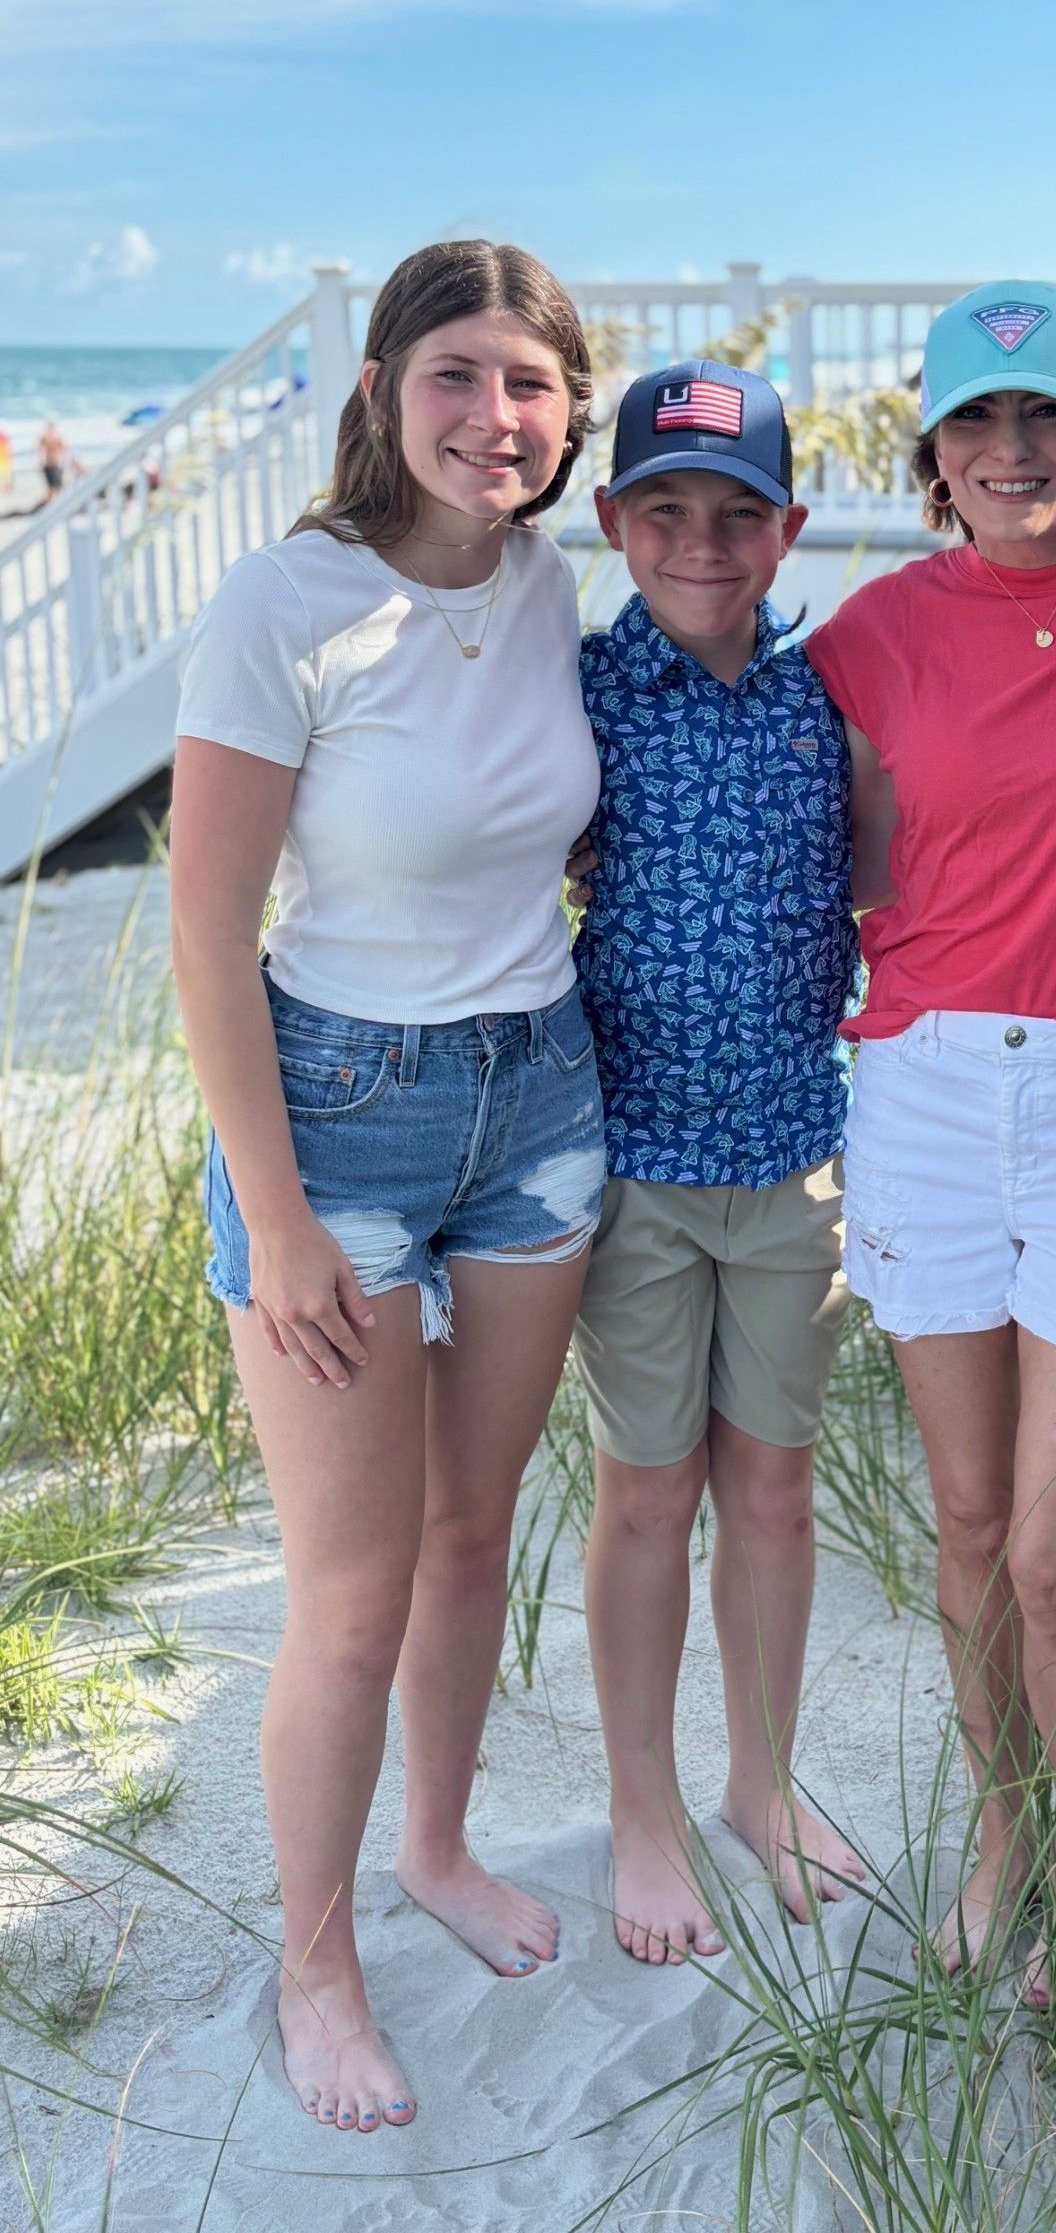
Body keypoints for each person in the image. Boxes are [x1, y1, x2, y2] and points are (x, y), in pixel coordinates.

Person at [170, 240, 606, 2135]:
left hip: (544, 1101)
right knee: (348, 1594)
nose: (492, 417)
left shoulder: (551, 583)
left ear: (567, 411)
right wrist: (270, 1215)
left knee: (471, 1534)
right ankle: (318, 1959)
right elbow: (204, 931)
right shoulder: (282, 601)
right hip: (336, 1120)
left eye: (527, 381)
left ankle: (439, 1846)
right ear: (377, 389)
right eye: (454, 374)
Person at [806, 283, 1056, 2009]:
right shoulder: (872, 634)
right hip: (921, 1097)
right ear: (934, 452)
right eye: (978, 422)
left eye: (1048, 418)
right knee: (968, 1527)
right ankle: (1004, 1838)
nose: (1014, 452)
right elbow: (822, 854)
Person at [571, 360, 866, 1965]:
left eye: (735, 513)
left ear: (787, 529)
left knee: (772, 1486)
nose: (700, 541)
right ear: (611, 521)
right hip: (630, 1170)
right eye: (665, 511)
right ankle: (643, 1803)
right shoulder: (575, 693)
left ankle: (759, 1781)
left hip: (798, 1156)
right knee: (644, 1495)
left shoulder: (832, 695)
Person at [38, 417, 69, 504]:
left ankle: (57, 503)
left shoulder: (58, 437)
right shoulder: (45, 437)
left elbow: (65, 449)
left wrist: (65, 461)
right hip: (48, 464)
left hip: (56, 464)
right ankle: (51, 504)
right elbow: (39, 450)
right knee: (50, 487)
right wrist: (40, 462)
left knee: (57, 486)